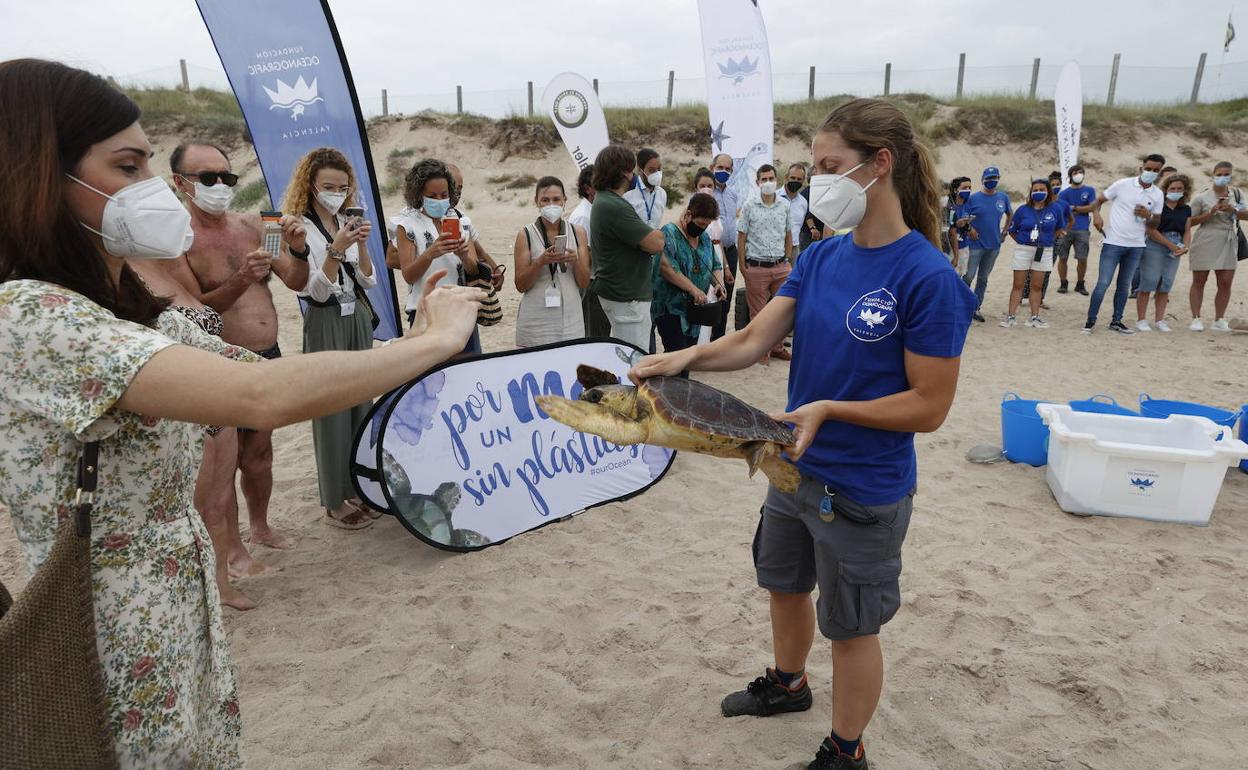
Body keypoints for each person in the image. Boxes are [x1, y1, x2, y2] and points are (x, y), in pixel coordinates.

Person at [0, 59, 483, 768]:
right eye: (128, 165)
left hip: (175, 611)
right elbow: (259, 398)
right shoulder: (30, 315)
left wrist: (414, 345)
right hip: (103, 627)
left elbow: (268, 377)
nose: (152, 192)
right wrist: (432, 342)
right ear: (41, 175)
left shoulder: (129, 313)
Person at [631, 97, 975, 770]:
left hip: (863, 487)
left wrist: (829, 410)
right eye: (812, 166)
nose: (816, 181)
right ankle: (789, 684)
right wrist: (686, 357)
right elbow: (758, 338)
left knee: (851, 626)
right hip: (791, 468)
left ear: (880, 165)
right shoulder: (820, 258)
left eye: (829, 166)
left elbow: (930, 406)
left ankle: (846, 750)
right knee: (783, 583)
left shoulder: (927, 276)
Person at [172, 141, 308, 577]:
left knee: (260, 455)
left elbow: (296, 281)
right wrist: (240, 279)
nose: (219, 186)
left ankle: (261, 527)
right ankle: (232, 550)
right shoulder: (178, 238)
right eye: (207, 178)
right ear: (180, 182)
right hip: (219, 361)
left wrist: (300, 248)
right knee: (223, 464)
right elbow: (192, 307)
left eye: (226, 178)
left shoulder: (254, 224)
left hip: (265, 357)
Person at [282, 147, 380, 529]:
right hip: (325, 321)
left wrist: (362, 244)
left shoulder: (345, 219)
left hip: (355, 315)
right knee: (331, 411)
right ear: (310, 185)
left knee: (360, 404)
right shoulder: (299, 227)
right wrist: (337, 248)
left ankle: (355, 486)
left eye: (342, 186)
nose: (336, 192)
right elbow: (314, 291)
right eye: (328, 186)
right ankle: (333, 501)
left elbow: (369, 280)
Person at [587, 144, 666, 350]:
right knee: (635, 359)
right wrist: (658, 234)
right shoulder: (614, 205)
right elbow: (656, 243)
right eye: (631, 170)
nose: (633, 176)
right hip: (627, 296)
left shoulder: (606, 201)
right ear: (623, 172)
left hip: (620, 292)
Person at [392, 159, 479, 345]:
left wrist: (464, 256)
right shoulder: (407, 225)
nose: (440, 200)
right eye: (432, 196)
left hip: (461, 308)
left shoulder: (458, 220)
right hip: (425, 312)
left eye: (444, 195)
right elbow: (408, 275)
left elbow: (473, 270)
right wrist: (431, 253)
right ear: (419, 195)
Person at [1084, 154, 1166, 335]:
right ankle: (1090, 321)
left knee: (1124, 285)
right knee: (1103, 282)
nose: (1151, 173)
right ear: (1141, 168)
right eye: (1148, 169)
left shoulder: (1158, 194)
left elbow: (1156, 224)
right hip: (1113, 242)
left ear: (1160, 173)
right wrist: (1096, 215)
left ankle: (1116, 321)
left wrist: (1148, 216)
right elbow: (1098, 201)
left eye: (1155, 170)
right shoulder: (1123, 184)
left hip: (1137, 245)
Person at [512, 175, 590, 346]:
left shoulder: (578, 233)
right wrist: (540, 262)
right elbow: (520, 285)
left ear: (564, 200)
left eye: (556, 199)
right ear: (537, 202)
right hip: (536, 320)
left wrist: (575, 261)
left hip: (571, 318)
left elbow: (584, 282)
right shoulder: (525, 235)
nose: (551, 205)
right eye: (545, 200)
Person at [652, 192, 724, 356]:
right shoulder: (669, 233)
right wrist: (693, 290)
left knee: (688, 357)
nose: (702, 228)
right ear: (688, 214)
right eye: (699, 223)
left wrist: (718, 284)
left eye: (706, 225)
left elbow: (714, 265)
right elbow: (668, 268)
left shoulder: (704, 238)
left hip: (695, 312)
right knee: (677, 356)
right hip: (671, 309)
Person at [737, 164, 793, 363]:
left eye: (771, 179)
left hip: (781, 267)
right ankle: (760, 351)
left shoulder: (785, 205)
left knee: (782, 311)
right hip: (757, 267)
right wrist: (743, 266)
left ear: (776, 180)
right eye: (764, 179)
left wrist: (786, 259)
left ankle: (777, 347)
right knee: (758, 314)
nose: (768, 183)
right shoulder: (749, 206)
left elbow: (788, 233)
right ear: (758, 182)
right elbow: (741, 237)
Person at [1186, 161, 1245, 332]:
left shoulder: (1237, 194)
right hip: (1205, 238)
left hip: (1228, 239)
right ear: (1213, 175)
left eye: (1226, 174)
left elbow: (1246, 214)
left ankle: (1219, 319)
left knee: (1225, 282)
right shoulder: (1201, 197)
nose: (1222, 177)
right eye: (1219, 174)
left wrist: (1232, 210)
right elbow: (1188, 221)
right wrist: (1209, 213)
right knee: (1199, 280)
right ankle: (1196, 318)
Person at [1001, 179, 1066, 329]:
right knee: (1018, 284)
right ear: (1031, 192)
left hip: (1044, 250)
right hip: (1024, 249)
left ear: (1048, 191)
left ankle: (1034, 317)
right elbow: (1012, 230)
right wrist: (1023, 242)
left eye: (1042, 189)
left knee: (1036, 286)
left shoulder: (1055, 209)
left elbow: (1060, 228)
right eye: (1035, 190)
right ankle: (1011, 316)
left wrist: (1047, 240)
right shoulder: (1023, 210)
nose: (1038, 192)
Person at [1136, 174, 1191, 332]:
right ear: (1166, 190)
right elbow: (1151, 230)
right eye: (1172, 188)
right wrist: (1171, 246)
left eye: (1179, 188)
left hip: (1176, 245)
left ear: (1184, 190)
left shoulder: (1186, 208)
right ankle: (1141, 319)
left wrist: (1185, 246)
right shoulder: (1157, 206)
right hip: (1156, 244)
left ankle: (1159, 320)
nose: (1176, 191)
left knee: (1166, 283)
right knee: (1149, 281)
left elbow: (1187, 230)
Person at [961, 166, 1013, 323]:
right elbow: (964, 217)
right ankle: (962, 306)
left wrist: (1005, 232)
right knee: (968, 276)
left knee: (983, 278)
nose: (992, 181)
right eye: (989, 178)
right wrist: (970, 229)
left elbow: (1010, 214)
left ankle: (975, 308)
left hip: (994, 245)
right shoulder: (973, 198)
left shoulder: (1003, 197)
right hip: (975, 245)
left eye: (995, 178)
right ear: (983, 179)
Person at [572, 164, 611, 338]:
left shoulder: (594, 210)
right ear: (588, 189)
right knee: (596, 333)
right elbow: (584, 256)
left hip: (598, 281)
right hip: (592, 284)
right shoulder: (583, 216)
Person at [709, 153, 740, 340]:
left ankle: (718, 339)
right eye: (720, 167)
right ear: (712, 166)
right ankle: (705, 339)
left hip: (731, 249)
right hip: (713, 251)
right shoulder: (707, 192)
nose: (724, 171)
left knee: (726, 298)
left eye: (727, 169)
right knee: (712, 295)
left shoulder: (733, 193)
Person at [1055, 164, 1097, 295]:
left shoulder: (1089, 190)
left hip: (1082, 229)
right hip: (1065, 228)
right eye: (1075, 173)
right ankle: (1063, 283)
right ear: (1070, 176)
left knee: (1082, 258)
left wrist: (1074, 208)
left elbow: (1092, 207)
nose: (1078, 175)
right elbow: (1062, 210)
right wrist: (1080, 208)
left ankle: (1080, 284)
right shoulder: (1064, 193)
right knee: (1062, 257)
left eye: (1080, 172)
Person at [623, 147, 667, 229]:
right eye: (651, 170)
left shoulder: (662, 194)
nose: (657, 174)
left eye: (659, 169)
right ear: (640, 170)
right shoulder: (627, 195)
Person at [782, 162, 810, 257]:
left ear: (803, 181)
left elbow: (799, 226)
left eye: (799, 179)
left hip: (794, 249)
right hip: (774, 248)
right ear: (786, 177)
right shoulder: (774, 197)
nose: (795, 181)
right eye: (793, 178)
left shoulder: (803, 203)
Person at [945, 176, 972, 271]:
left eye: (969, 188)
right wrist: (956, 257)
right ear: (956, 190)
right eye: (964, 188)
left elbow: (968, 228)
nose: (968, 190)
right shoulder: (949, 206)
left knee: (961, 276)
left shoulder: (967, 205)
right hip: (950, 249)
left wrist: (967, 225)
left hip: (964, 247)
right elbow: (952, 232)